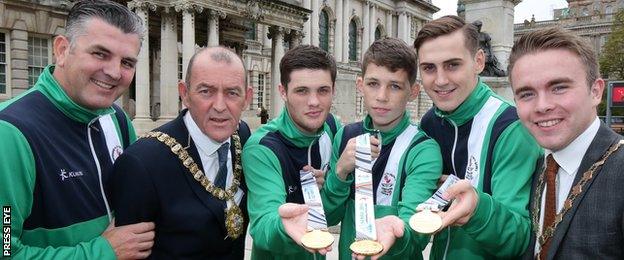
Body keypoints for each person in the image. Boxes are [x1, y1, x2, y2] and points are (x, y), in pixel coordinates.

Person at [0, 1, 154, 259]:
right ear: (62, 50)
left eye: (127, 62)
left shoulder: (117, 118)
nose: (115, 72)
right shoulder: (10, 132)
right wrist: (103, 252)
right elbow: (5, 250)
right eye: (100, 54)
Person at [413, 15, 542, 259]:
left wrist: (476, 209)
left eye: (453, 65)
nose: (440, 80)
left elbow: (519, 237)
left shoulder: (511, 127)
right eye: (429, 68)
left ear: (479, 61)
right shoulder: (430, 121)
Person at [110, 47, 253, 259]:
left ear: (247, 98)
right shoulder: (142, 162)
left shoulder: (242, 135)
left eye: (232, 93)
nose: (220, 106)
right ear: (185, 94)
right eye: (206, 91)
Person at [508, 27, 624, 259]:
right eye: (527, 94)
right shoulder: (540, 165)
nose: (542, 106)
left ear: (595, 91)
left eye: (559, 87)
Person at [323, 38, 442, 260]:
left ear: (413, 91)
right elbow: (328, 217)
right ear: (360, 85)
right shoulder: (346, 136)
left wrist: (396, 233)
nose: (382, 96)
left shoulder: (423, 149)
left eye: (395, 86)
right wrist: (340, 172)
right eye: (373, 84)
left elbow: (417, 232)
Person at [242, 44, 340, 259]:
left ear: (333, 89)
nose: (314, 102)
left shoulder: (333, 128)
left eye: (322, 90)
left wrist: (334, 179)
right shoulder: (263, 146)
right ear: (283, 92)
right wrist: (284, 225)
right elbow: (263, 226)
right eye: (301, 91)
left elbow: (335, 212)